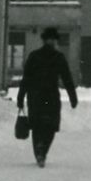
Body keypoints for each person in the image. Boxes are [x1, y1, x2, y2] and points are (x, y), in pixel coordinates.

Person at [16, 27, 78, 168]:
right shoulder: (58, 57)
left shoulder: (34, 56)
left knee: (37, 126)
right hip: (51, 97)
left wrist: (20, 98)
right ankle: (42, 152)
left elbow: (26, 79)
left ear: (43, 40)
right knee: (50, 126)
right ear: (54, 41)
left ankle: (38, 151)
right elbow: (67, 78)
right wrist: (73, 97)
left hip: (35, 97)